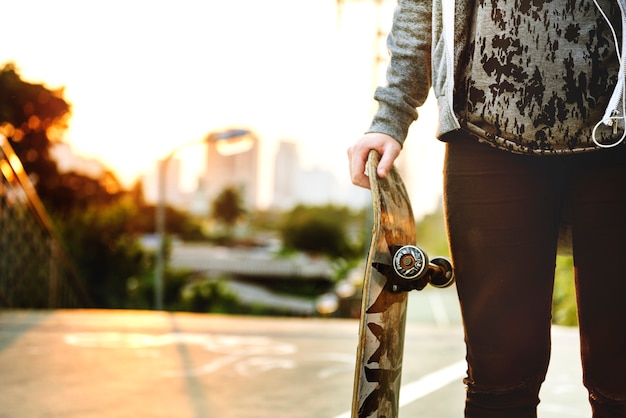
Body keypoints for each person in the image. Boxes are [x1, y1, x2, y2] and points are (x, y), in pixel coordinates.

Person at [347, 0, 626, 417]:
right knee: (499, 375)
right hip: (483, 132)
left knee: (621, 374)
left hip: (617, 140)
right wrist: (392, 113)